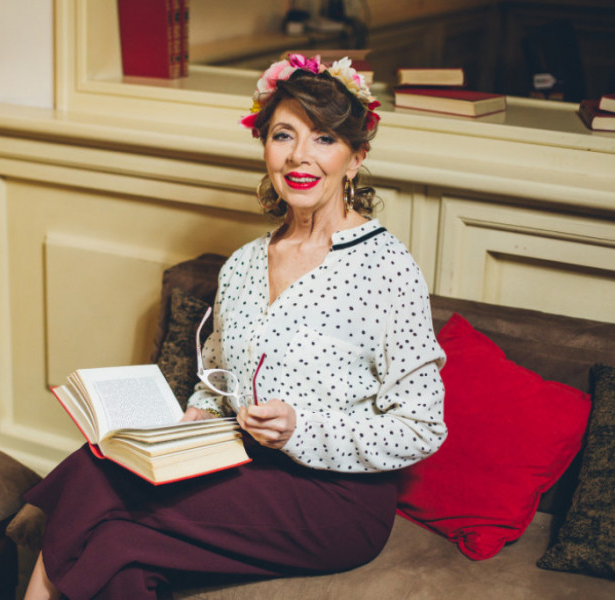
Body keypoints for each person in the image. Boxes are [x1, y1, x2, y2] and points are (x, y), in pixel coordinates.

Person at [23, 55, 447, 600]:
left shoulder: (387, 270)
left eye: (324, 139)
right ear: (264, 146)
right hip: (242, 465)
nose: (299, 155)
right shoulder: (243, 265)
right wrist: (198, 414)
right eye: (283, 135)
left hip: (335, 500)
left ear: (355, 158)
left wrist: (300, 429)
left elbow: (421, 427)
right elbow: (219, 377)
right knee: (112, 525)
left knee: (97, 489)